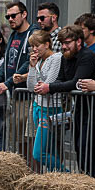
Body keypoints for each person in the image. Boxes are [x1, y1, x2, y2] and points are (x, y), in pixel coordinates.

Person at [34, 25, 95, 176]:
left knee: (88, 149)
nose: (64, 46)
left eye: (67, 43)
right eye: (62, 43)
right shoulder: (66, 57)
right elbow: (61, 79)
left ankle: (93, 180)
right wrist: (48, 85)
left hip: (93, 110)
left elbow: (76, 82)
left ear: (79, 41)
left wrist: (49, 87)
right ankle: (82, 179)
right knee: (78, 147)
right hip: (78, 109)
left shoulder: (87, 56)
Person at [26, 30, 64, 170]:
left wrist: (41, 87)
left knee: (38, 153)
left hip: (51, 108)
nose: (34, 49)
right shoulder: (39, 61)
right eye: (32, 46)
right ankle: (56, 177)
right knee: (49, 149)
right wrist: (32, 66)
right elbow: (31, 87)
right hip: (38, 106)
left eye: (37, 45)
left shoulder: (56, 58)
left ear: (47, 44)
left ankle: (66, 174)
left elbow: (48, 84)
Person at [0, 1, 34, 96]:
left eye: (13, 16)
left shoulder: (32, 34)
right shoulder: (13, 34)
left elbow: (29, 62)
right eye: (8, 17)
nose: (10, 19)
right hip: (11, 93)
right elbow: (6, 61)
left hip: (25, 94)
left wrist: (8, 83)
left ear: (24, 14)